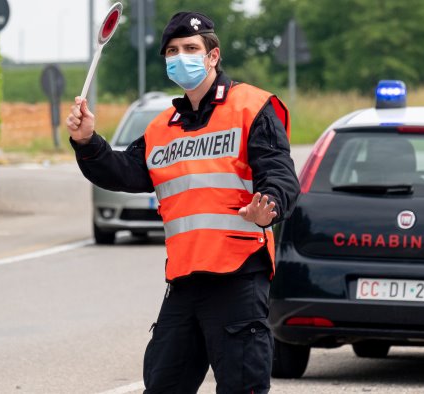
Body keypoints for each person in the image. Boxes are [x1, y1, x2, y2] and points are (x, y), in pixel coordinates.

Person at [66, 11, 299, 394]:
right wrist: (88, 142)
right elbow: (123, 172)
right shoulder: (162, 127)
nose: (181, 56)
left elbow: (279, 175)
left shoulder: (252, 107)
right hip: (184, 281)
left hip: (238, 277)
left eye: (191, 48)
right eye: (172, 51)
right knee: (161, 386)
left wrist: (269, 206)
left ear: (213, 55)